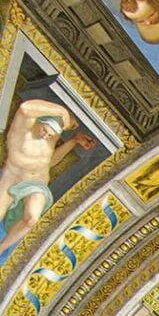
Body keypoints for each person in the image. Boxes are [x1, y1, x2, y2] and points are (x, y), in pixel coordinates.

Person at [0, 100, 97, 256]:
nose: (45, 136)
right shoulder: (22, 129)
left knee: (31, 220)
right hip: (12, 179)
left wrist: (73, 141)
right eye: (44, 130)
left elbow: (48, 163)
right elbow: (25, 108)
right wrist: (62, 112)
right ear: (39, 121)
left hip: (36, 185)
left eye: (50, 135)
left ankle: (1, 248)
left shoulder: (48, 137)